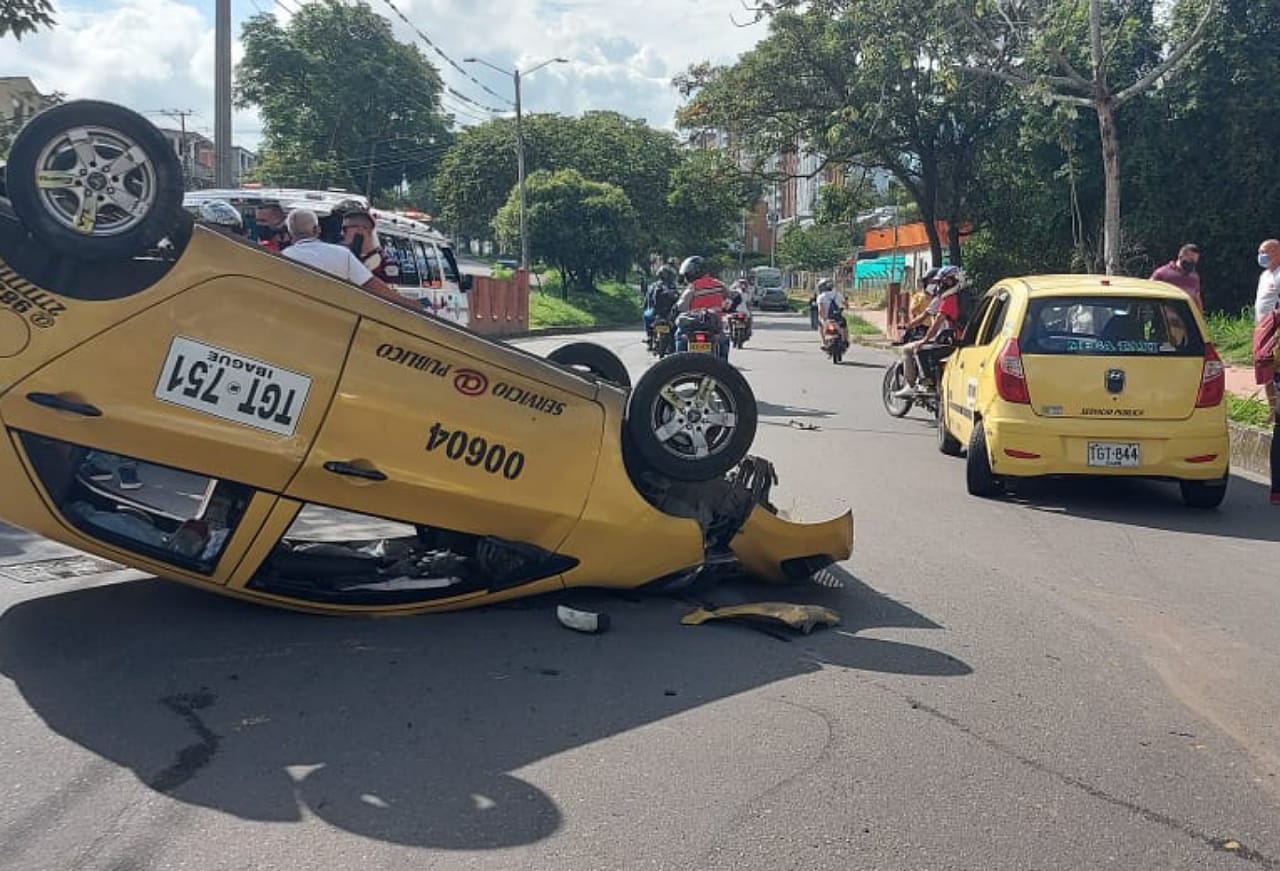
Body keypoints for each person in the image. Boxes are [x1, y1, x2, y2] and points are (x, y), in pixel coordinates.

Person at [282, 208, 424, 312]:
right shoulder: (341, 254)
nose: (341, 233)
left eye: (344, 229)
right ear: (317, 229)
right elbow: (374, 287)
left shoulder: (282, 258)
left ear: (289, 232)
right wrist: (412, 305)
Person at [895, 265, 964, 398]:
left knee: (913, 349)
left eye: (942, 282)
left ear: (951, 281)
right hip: (960, 340)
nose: (940, 285)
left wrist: (924, 340)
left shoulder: (947, 299)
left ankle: (923, 385)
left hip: (948, 341)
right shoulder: (964, 298)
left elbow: (936, 324)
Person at [674, 255, 731, 356]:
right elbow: (730, 298)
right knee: (724, 341)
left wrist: (676, 309)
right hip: (714, 325)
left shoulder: (693, 287)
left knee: (679, 336)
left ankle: (679, 364)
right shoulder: (719, 284)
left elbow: (681, 306)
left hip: (693, 324)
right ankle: (723, 367)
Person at [1254, 239, 1280, 417]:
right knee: (1264, 369)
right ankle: (1272, 411)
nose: (1261, 256)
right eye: (1260, 252)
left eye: (1265, 252)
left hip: (1275, 332)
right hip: (1262, 330)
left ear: (1277, 252)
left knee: (1275, 369)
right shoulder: (1265, 276)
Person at [340, 210, 400, 284]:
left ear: (360, 230)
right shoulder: (345, 258)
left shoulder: (386, 263)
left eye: (345, 229)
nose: (341, 233)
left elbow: (388, 293)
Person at [1150, 243, 1202, 310]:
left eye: (1195, 262)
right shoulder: (1162, 273)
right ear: (1181, 256)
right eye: (1191, 260)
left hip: (1186, 318)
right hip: (1166, 316)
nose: (1192, 264)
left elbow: (1197, 298)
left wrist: (1201, 318)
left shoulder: (1194, 277)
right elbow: (1149, 292)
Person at [815, 277, 847, 348]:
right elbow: (845, 304)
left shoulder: (821, 297)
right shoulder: (838, 294)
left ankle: (823, 342)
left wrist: (823, 319)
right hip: (837, 318)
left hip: (827, 319)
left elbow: (820, 310)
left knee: (820, 325)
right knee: (844, 324)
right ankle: (844, 339)